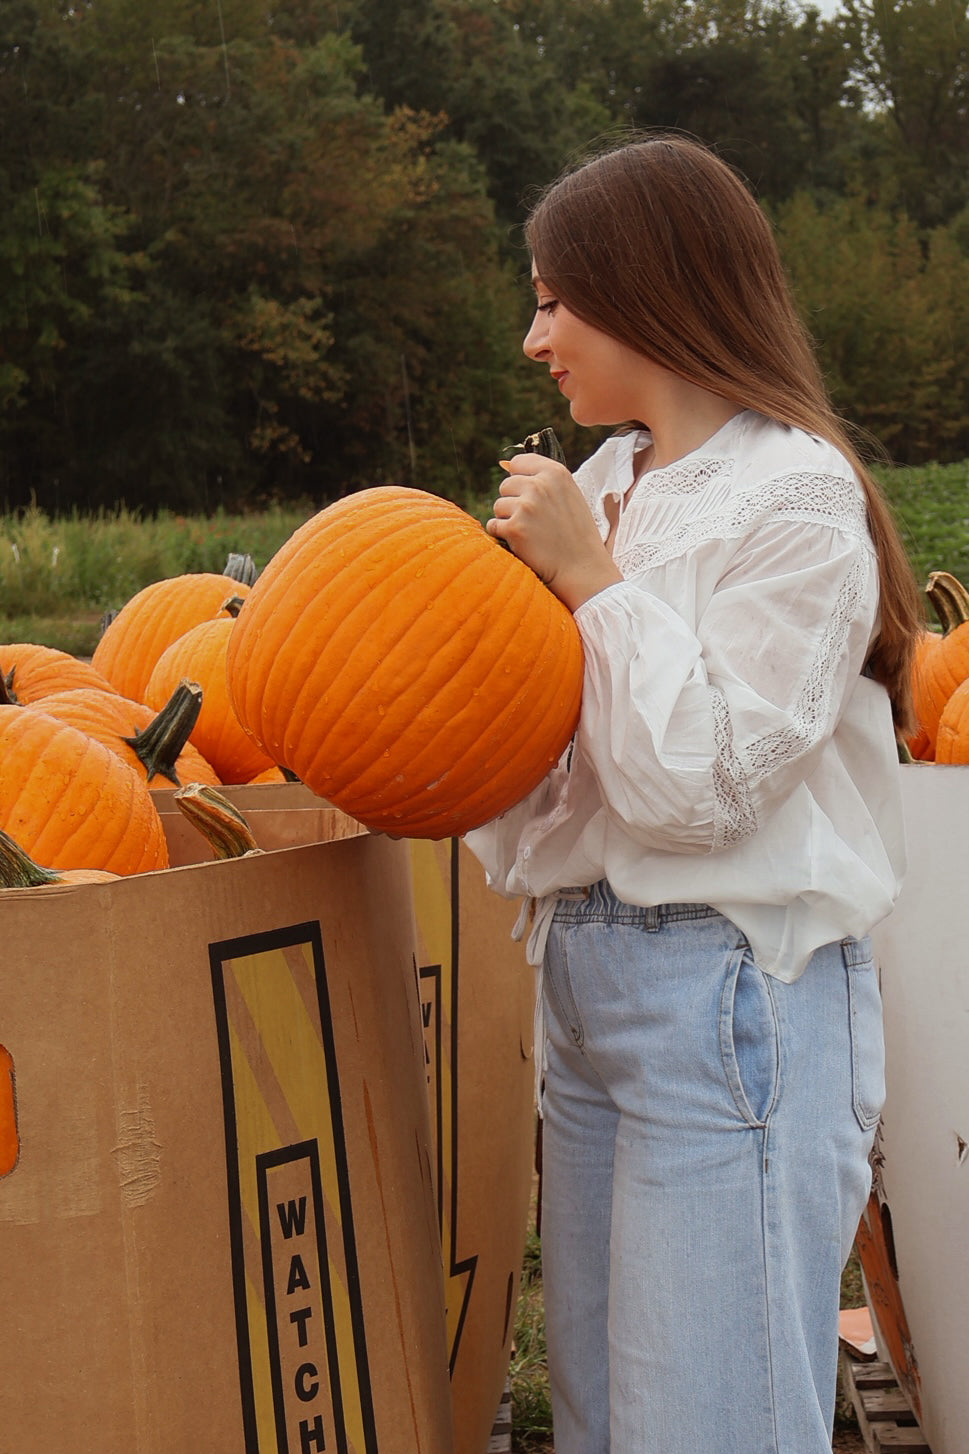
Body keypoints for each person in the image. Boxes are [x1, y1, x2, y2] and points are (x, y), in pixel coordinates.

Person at [463, 133, 924, 1454]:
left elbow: (696, 788)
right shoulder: (611, 483)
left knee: (706, 1419)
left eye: (555, 298)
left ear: (646, 288)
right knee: (612, 1417)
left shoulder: (792, 496)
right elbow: (558, 776)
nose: (532, 337)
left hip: (730, 989)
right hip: (593, 979)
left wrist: (590, 588)